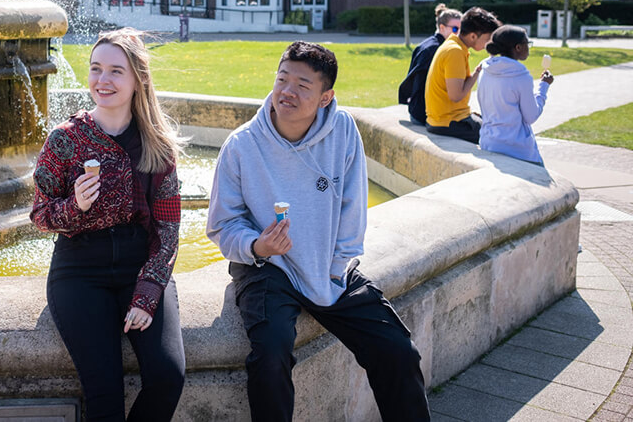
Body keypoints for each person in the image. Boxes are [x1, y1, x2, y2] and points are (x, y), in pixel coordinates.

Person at [206, 41, 430, 422]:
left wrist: (335, 268)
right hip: (267, 268)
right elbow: (222, 224)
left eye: (302, 85)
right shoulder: (242, 145)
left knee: (397, 350)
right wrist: (257, 246)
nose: (286, 92)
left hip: (331, 263)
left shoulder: (343, 130)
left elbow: (353, 209)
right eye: (282, 79)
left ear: (326, 97)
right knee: (270, 356)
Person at [31, 28, 186, 421]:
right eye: (96, 69)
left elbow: (168, 231)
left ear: (138, 80)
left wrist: (148, 291)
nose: (103, 80)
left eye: (116, 71)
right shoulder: (64, 140)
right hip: (80, 271)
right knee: (106, 396)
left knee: (168, 376)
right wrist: (75, 206)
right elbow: (40, 215)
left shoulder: (158, 146)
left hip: (139, 264)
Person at [477, 25, 554, 164]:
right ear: (518, 47)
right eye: (527, 43)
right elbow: (531, 116)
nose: (529, 47)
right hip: (517, 150)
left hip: (488, 143)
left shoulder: (484, 70)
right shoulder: (520, 76)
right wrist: (544, 85)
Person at [425, 6, 502, 144]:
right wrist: (476, 75)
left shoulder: (453, 44)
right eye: (488, 38)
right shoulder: (455, 51)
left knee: (495, 125)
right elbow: (456, 96)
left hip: (447, 119)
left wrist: (476, 72)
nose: (490, 43)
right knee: (501, 135)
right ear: (473, 36)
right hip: (448, 122)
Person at [398, 4, 462, 125]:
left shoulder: (426, 45)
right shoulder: (440, 50)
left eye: (461, 29)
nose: (458, 33)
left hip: (417, 110)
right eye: (455, 29)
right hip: (426, 114)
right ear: (442, 27)